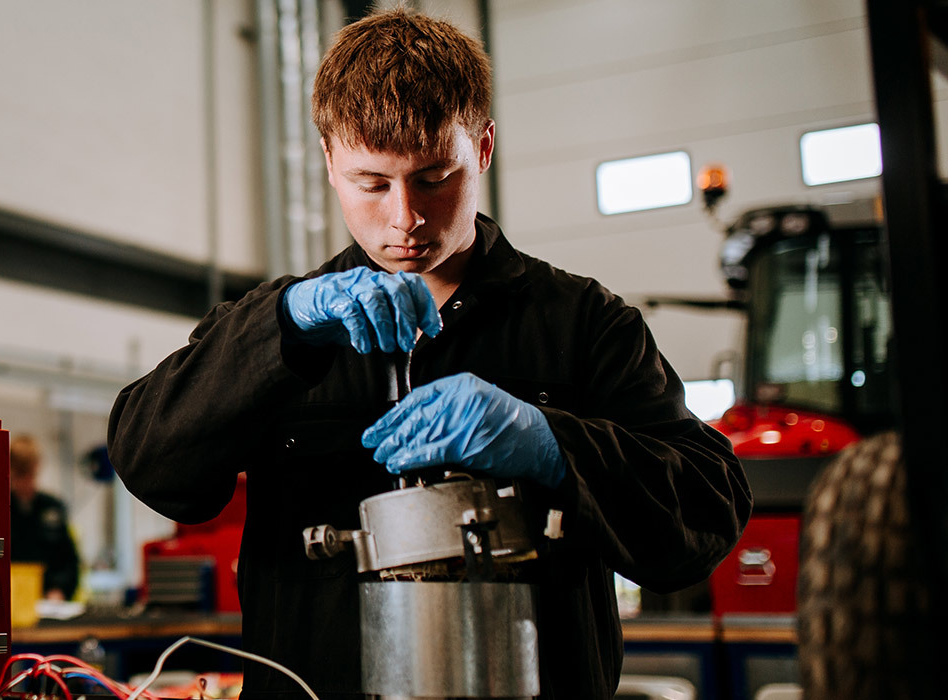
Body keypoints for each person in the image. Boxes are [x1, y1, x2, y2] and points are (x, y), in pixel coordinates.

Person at [107, 9, 751, 699]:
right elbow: (151, 460)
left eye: (436, 176)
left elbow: (708, 511)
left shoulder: (582, 323)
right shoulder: (276, 328)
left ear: (485, 147)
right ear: (328, 160)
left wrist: (551, 443)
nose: (406, 216)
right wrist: (284, 326)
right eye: (372, 183)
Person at [9, 434, 80, 601]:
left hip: (49, 602)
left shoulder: (52, 508)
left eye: (31, 475)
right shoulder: (0, 509)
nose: (27, 482)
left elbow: (70, 561)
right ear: (10, 472)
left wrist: (60, 590)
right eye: (21, 476)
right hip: (13, 602)